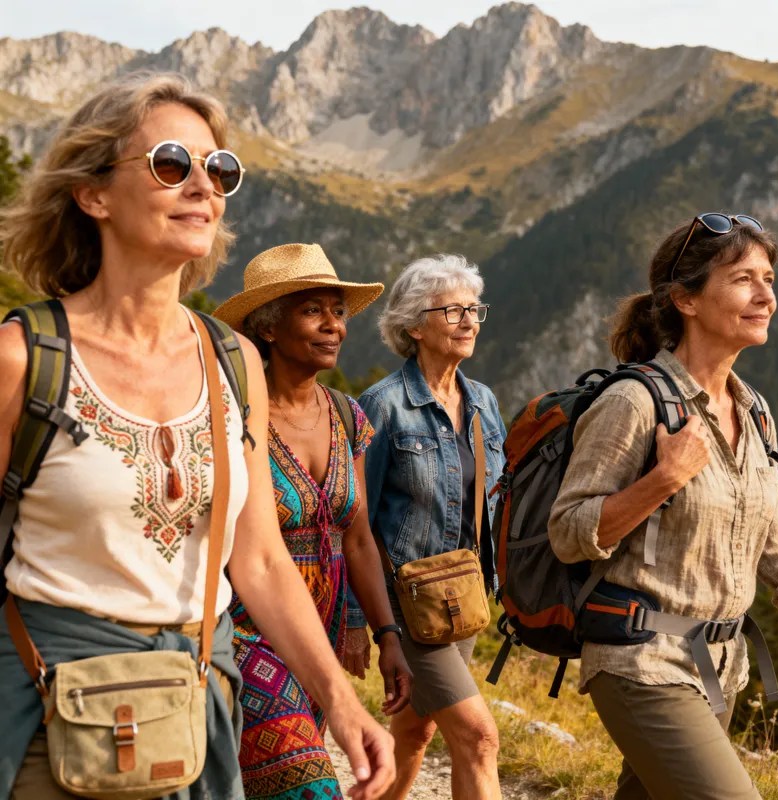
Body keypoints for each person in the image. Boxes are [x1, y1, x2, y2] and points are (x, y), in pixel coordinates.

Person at [0, 73, 394, 800]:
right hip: (49, 713)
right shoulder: (22, 359)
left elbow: (261, 562)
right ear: (93, 194)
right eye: (172, 165)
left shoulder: (234, 361)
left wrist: (340, 702)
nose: (204, 187)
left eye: (219, 171)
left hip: (195, 710)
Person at [548, 214, 778, 800]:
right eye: (743, 280)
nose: (766, 296)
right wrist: (662, 480)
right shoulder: (634, 403)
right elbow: (567, 531)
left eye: (769, 278)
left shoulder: (754, 411)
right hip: (642, 660)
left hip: (720, 669)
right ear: (686, 298)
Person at [213, 243, 412, 799]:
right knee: (309, 784)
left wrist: (386, 634)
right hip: (246, 631)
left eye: (339, 311)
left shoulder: (349, 418)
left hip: (314, 639)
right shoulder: (233, 417)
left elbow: (359, 538)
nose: (333, 326)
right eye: (312, 311)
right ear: (269, 328)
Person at [353, 254, 506, 800]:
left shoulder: (484, 402)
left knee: (417, 732)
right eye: (454, 311)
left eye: (474, 310)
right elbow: (356, 521)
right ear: (415, 326)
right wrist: (358, 620)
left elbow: (492, 503)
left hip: (460, 597)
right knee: (480, 737)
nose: (469, 322)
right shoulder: (383, 406)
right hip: (405, 605)